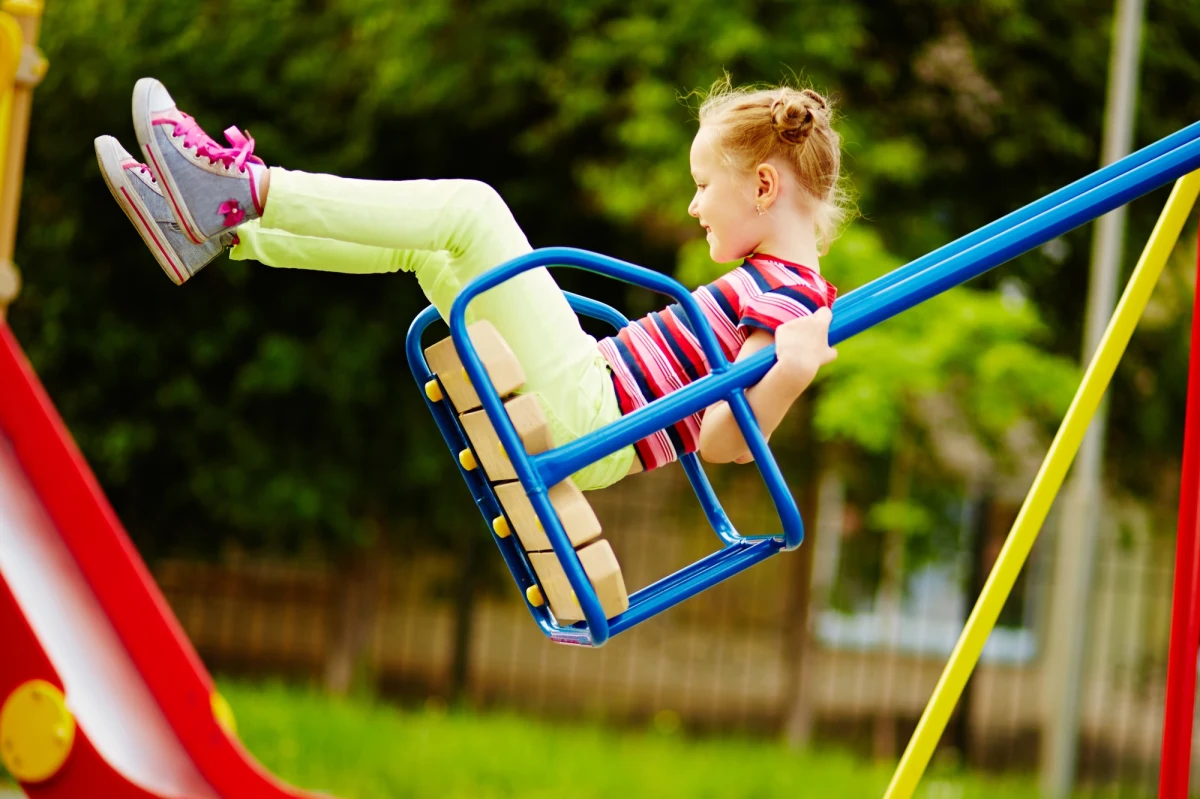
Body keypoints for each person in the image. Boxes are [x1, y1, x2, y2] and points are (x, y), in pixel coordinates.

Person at [95, 76, 843, 491]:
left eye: (704, 185)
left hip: (599, 412)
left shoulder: (793, 300)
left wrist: (791, 373)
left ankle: (243, 190)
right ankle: (224, 231)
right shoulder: (774, 282)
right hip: (595, 394)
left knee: (471, 210)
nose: (693, 205)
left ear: (764, 187)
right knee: (427, 246)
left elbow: (721, 440)